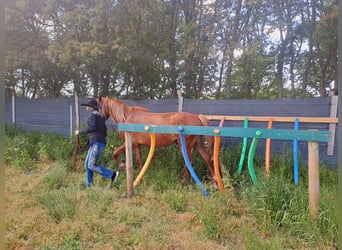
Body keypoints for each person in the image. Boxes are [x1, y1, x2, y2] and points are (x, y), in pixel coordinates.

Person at [75, 98, 119, 187]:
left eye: (87, 106)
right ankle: (89, 184)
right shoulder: (100, 116)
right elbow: (102, 130)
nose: (86, 107)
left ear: (91, 107)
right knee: (87, 164)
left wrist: (80, 132)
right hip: (97, 142)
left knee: (91, 165)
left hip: (97, 143)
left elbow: (92, 128)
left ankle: (112, 174)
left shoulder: (93, 116)